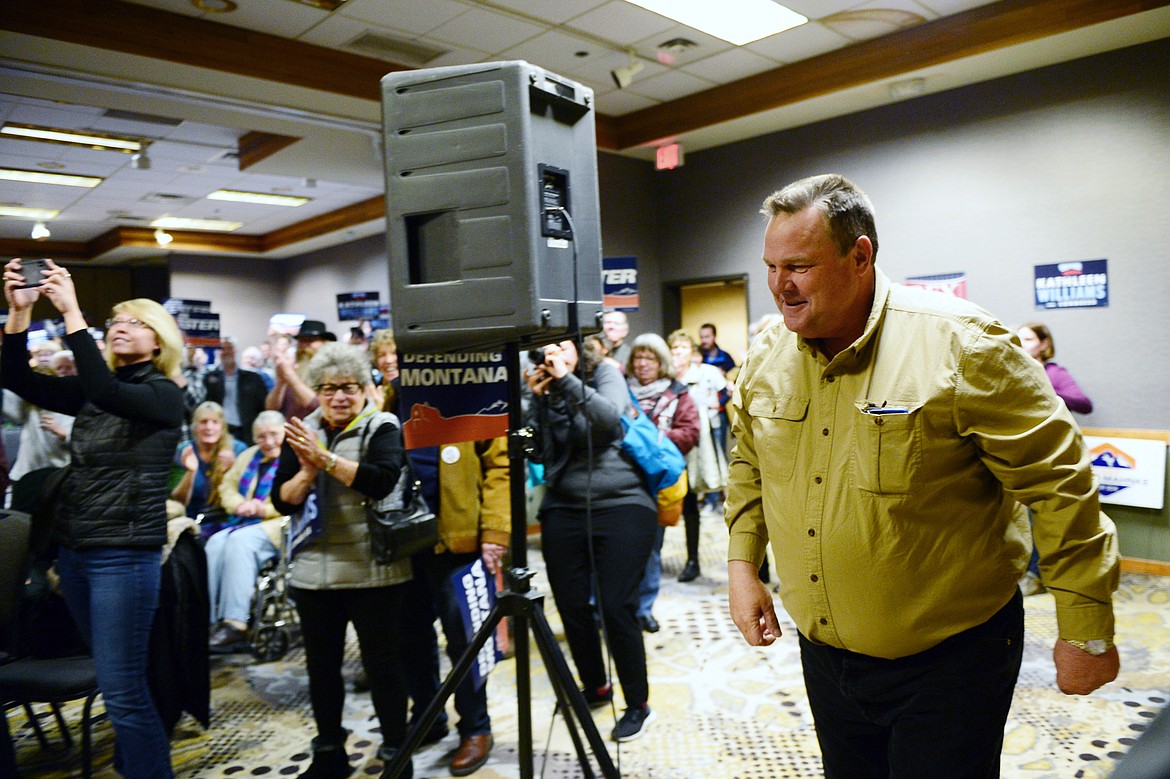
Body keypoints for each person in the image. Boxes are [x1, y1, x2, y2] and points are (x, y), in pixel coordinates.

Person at [726, 174, 1119, 779]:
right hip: (826, 657)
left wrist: (1084, 627)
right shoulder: (767, 357)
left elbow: (1058, 480)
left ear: (860, 256)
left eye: (799, 265)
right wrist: (742, 565)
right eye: (771, 266)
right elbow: (750, 462)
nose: (781, 286)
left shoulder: (962, 345)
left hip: (950, 662)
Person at [2, 257, 185, 779]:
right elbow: (15, 376)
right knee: (120, 683)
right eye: (116, 321)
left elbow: (107, 391)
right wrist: (19, 313)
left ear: (159, 342)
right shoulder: (95, 390)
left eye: (136, 322)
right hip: (78, 554)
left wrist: (72, 313)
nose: (121, 327)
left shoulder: (162, 395)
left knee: (123, 691)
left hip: (124, 557)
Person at [270, 342, 412, 779]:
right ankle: (329, 752)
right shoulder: (302, 430)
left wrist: (325, 460)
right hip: (315, 574)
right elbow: (281, 499)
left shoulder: (382, 425)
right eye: (329, 388)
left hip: (375, 572)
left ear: (364, 387)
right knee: (322, 670)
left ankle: (395, 751)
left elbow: (382, 481)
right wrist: (307, 471)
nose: (339, 397)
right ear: (318, 391)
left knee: (384, 668)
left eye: (348, 387)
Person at [524, 338, 659, 742]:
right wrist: (538, 403)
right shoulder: (544, 385)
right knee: (570, 605)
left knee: (617, 606)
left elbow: (608, 419)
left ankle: (638, 704)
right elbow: (540, 454)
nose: (551, 353)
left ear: (578, 346)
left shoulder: (605, 373)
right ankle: (597, 686)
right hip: (564, 504)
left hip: (622, 502)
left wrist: (566, 381)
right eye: (544, 347)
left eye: (560, 345)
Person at [398, 433, 510, 776]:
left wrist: (494, 532)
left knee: (466, 641)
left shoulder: (471, 393)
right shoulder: (397, 394)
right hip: (405, 537)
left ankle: (476, 728)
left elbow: (501, 468)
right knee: (409, 636)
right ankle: (428, 717)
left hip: (460, 539)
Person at [627, 333, 699, 632]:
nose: (643, 364)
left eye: (650, 358)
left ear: (661, 363)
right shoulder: (618, 389)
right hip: (622, 478)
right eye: (638, 358)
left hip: (656, 480)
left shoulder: (678, 393)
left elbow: (690, 431)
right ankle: (619, 606)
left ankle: (644, 608)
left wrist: (653, 439)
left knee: (650, 548)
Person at [1017, 321, 1095, 595]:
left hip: (1049, 455)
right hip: (1017, 453)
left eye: (1027, 339)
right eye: (1018, 338)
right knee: (1017, 518)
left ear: (1044, 344)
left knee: (1045, 516)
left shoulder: (1054, 373)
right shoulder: (1012, 370)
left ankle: (1036, 575)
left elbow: (1084, 403)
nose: (1020, 343)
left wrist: (1045, 391)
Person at [205, 410, 287, 652]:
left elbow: (296, 496)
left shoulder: (292, 456)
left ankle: (235, 623)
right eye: (261, 437)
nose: (268, 442)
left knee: (238, 542)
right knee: (214, 543)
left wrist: (263, 508)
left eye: (274, 434)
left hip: (279, 522)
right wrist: (239, 504)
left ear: (285, 432)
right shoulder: (249, 455)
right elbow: (227, 486)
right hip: (244, 519)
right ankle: (210, 621)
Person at [667, 330, 728, 583]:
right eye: (674, 348)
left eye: (683, 348)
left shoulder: (704, 373)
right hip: (672, 443)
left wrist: (717, 405)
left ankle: (693, 560)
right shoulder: (667, 378)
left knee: (695, 499)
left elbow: (726, 391)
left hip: (701, 442)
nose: (678, 353)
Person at [170, 400, 247, 536]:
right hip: (192, 520)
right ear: (194, 426)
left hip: (228, 519)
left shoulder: (238, 449)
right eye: (203, 422)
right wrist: (190, 472)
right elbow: (178, 501)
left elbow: (246, 494)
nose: (209, 427)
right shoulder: (183, 451)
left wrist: (231, 469)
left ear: (222, 426)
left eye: (214, 422)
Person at [204, 337, 270, 445]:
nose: (226, 352)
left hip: (246, 431)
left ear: (235, 351)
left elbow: (263, 406)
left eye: (229, 348)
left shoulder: (253, 378)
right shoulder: (210, 378)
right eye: (222, 349)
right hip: (220, 430)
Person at [266, 319, 335, 421]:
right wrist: (281, 382)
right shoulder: (294, 368)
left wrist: (290, 376)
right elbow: (271, 408)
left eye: (310, 340)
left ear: (324, 343)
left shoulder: (331, 370)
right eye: (301, 341)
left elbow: (318, 407)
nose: (304, 346)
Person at [371, 329, 399, 412]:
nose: (389, 360)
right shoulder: (373, 391)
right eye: (381, 355)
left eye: (394, 353)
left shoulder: (413, 391)